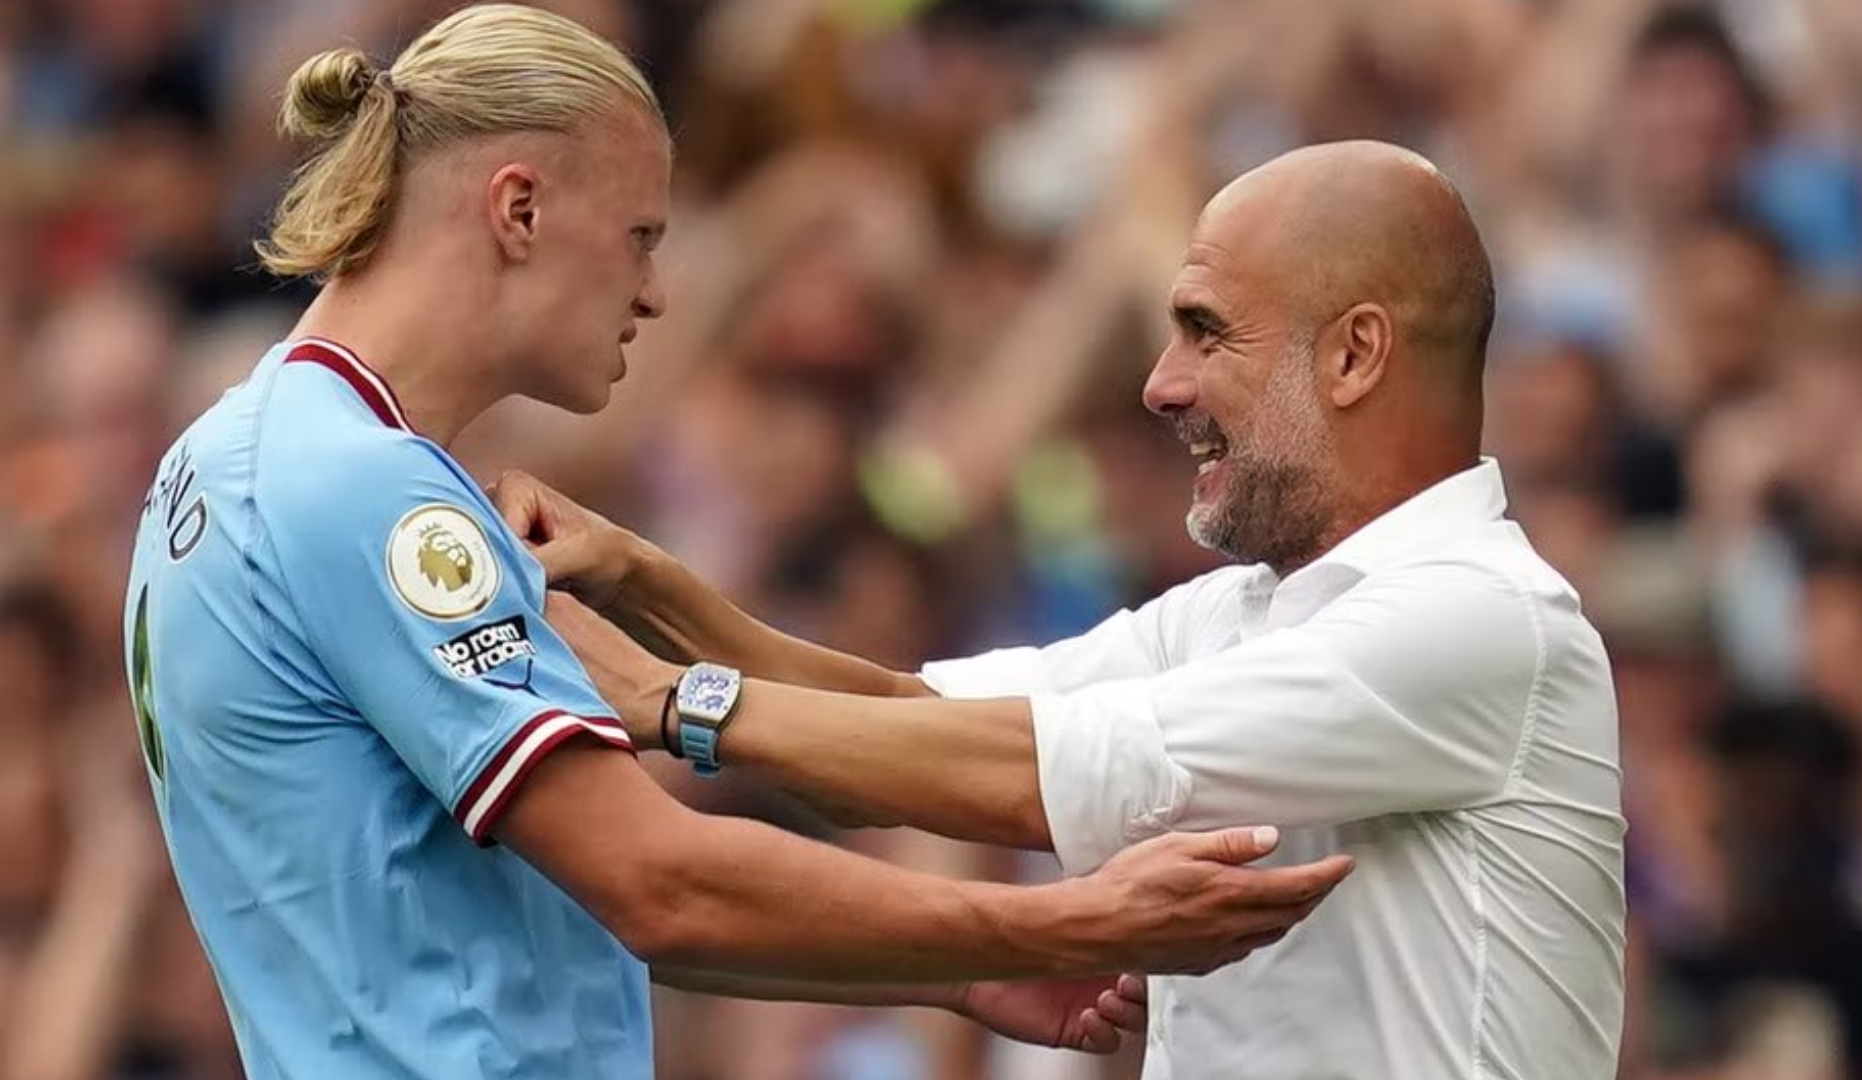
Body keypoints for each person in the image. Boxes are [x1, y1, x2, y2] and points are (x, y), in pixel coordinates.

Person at [119, 8, 1359, 1080]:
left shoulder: (224, 457)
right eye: (643, 238)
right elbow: (659, 883)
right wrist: (1057, 924)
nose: (658, 294)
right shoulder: (371, 495)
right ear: (519, 207)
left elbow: (525, 914)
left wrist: (944, 974)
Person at [506, 140, 1628, 1080]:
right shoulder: (1235, 614)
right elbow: (906, 714)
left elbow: (1025, 774)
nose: (1160, 383)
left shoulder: (1480, 619)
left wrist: (669, 700)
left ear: (1354, 353)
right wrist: (646, 584)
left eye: (1205, 330)